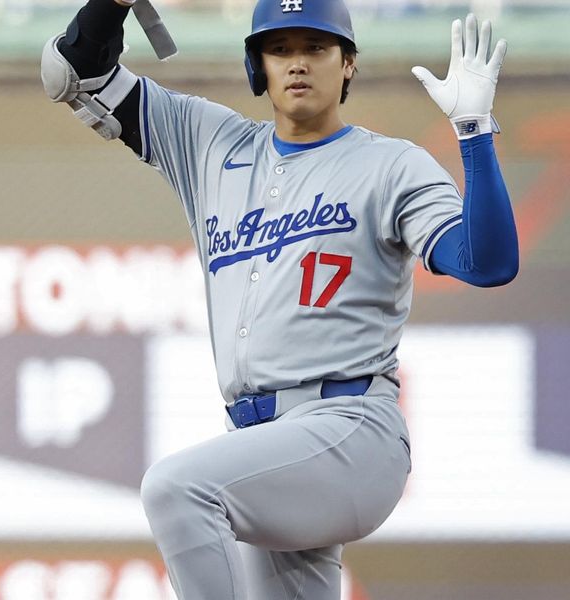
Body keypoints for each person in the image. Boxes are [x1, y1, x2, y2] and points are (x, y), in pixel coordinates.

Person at [41, 0, 518, 598]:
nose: (298, 63)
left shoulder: (391, 165)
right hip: (265, 446)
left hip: (352, 431)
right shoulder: (209, 143)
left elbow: (487, 261)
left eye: (316, 48)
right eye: (280, 48)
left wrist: (474, 133)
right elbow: (73, 74)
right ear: (257, 66)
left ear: (347, 64)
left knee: (178, 488)